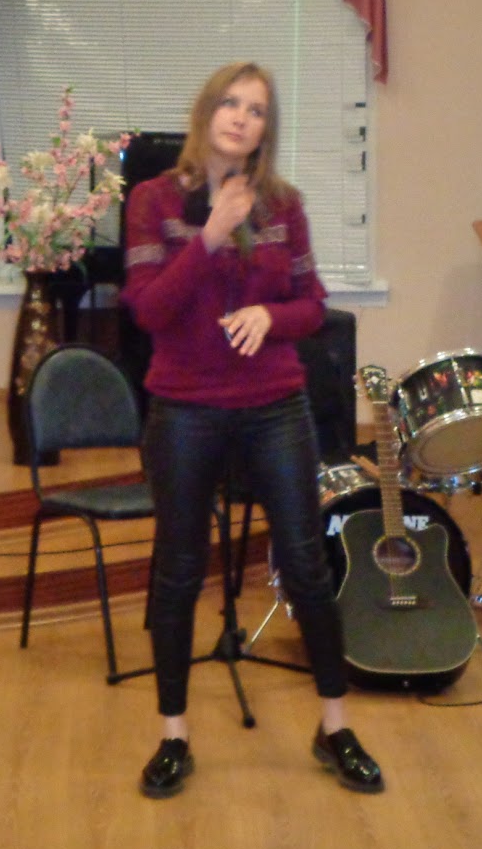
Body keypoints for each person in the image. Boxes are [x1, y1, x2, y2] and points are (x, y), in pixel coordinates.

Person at [120, 60, 384, 799]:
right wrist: (208, 236)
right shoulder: (152, 201)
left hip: (274, 406)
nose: (241, 117)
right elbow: (149, 310)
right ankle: (174, 736)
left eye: (257, 109)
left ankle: (334, 728)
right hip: (184, 408)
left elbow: (312, 304)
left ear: (267, 129)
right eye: (231, 103)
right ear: (207, 112)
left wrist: (272, 315)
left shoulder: (284, 205)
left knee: (306, 564)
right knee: (178, 570)